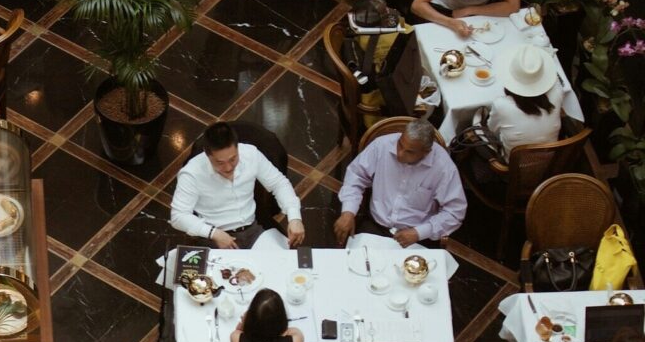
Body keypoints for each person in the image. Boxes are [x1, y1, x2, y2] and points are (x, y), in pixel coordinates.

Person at [170, 122, 305, 249]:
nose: (228, 167)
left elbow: (278, 183)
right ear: (207, 155)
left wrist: (294, 217)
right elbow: (178, 216)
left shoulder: (251, 154)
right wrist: (214, 233)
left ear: (237, 147)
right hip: (215, 238)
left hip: (253, 230)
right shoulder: (191, 173)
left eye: (233, 159)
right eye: (220, 163)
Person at [334, 118, 467, 247]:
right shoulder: (381, 146)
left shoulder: (444, 167)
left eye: (409, 152)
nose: (400, 154)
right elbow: (356, 175)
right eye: (400, 145)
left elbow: (455, 212)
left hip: (416, 236)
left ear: (426, 152)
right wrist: (348, 212)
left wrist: (419, 232)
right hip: (376, 225)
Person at [487, 45, 562, 161]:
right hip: (549, 160)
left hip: (514, 165)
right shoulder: (557, 93)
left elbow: (491, 129)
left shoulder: (502, 105)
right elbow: (555, 79)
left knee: (479, 118)